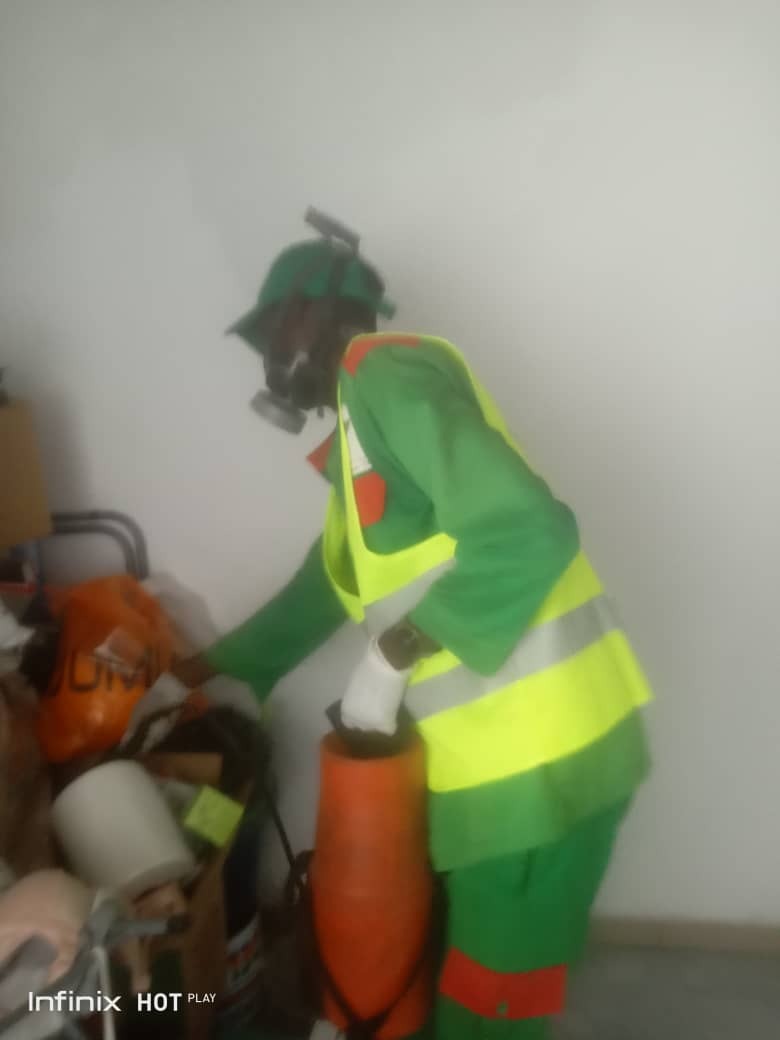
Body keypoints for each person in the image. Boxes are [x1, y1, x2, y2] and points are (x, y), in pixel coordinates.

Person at [171, 211, 652, 1039]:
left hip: (543, 762)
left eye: (270, 335)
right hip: (496, 764)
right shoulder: (361, 434)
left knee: (490, 1007)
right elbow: (323, 589)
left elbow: (531, 531)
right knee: (442, 973)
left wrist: (393, 655)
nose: (267, 360)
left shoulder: (387, 376)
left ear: (307, 315)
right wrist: (200, 673)